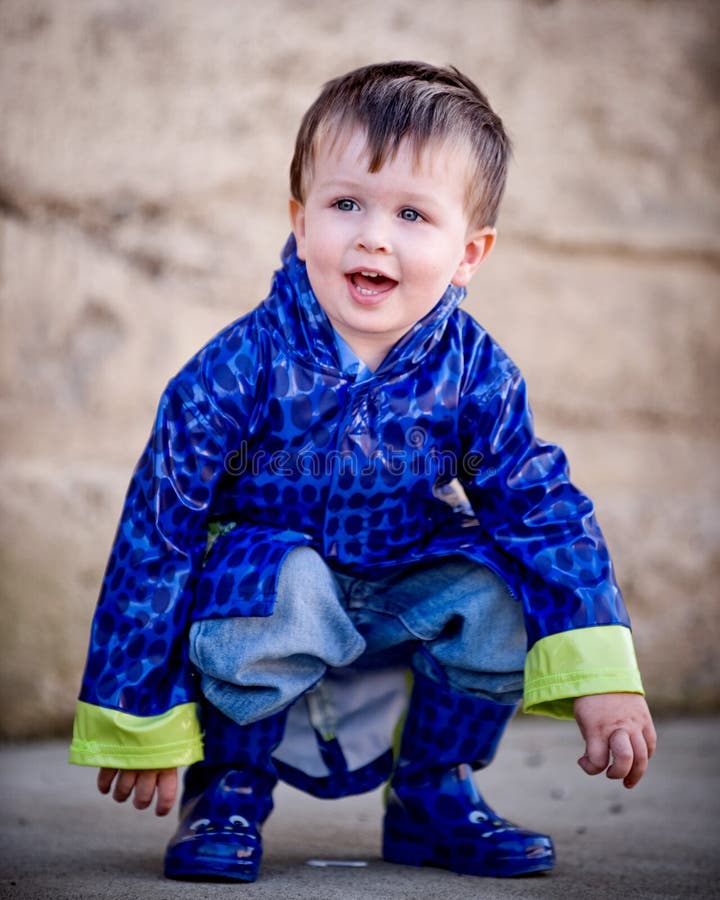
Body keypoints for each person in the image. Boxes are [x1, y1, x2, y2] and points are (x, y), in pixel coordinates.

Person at [69, 61, 656, 883]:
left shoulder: (476, 374)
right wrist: (140, 716)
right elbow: (156, 534)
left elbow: (542, 509)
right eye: (347, 204)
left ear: (468, 253)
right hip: (267, 589)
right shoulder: (236, 369)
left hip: (397, 575)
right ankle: (230, 785)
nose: (374, 235)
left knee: (499, 587)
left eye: (414, 214)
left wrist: (601, 666)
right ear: (300, 221)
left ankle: (432, 795)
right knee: (277, 581)